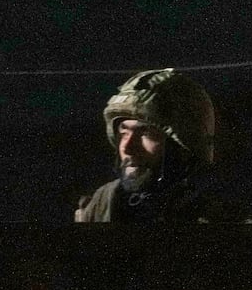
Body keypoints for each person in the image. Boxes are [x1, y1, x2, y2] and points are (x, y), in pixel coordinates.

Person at [75, 68, 233, 222]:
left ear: (183, 147)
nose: (127, 148)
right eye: (123, 133)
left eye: (146, 133)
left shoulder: (219, 211)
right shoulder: (104, 202)